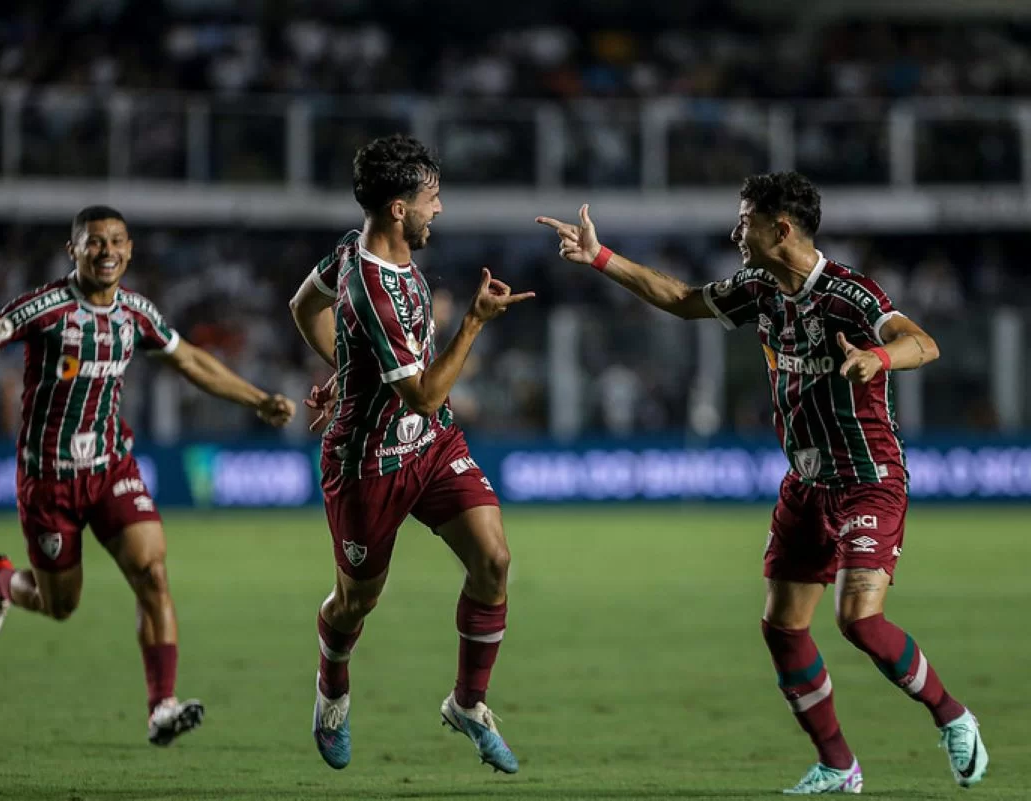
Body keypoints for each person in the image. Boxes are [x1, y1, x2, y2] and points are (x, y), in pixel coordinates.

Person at [537, 172, 987, 794]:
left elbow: (923, 343)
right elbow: (681, 299)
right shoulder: (757, 288)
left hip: (867, 479)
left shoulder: (851, 296)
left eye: (743, 219)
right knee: (782, 626)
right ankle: (838, 764)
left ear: (780, 229)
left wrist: (875, 358)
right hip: (806, 485)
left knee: (857, 618)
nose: (733, 231)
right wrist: (600, 257)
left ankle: (953, 716)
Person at [0, 206, 296, 746]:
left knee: (152, 572)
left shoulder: (137, 314)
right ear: (73, 251)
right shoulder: (45, 308)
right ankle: (2, 582)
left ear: (130, 249)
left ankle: (162, 706)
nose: (108, 252)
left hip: (110, 468)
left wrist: (257, 400)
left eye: (118, 242)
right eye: (95, 242)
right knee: (61, 605)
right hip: (49, 480)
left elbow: (191, 361)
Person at [289, 134, 532, 773]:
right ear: (399, 208)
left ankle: (468, 704)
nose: (440, 210)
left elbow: (302, 305)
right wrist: (474, 322)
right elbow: (424, 393)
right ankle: (332, 686)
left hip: (430, 444)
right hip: (368, 463)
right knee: (355, 602)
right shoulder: (368, 278)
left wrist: (345, 369)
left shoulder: (355, 249)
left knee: (494, 559)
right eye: (433, 199)